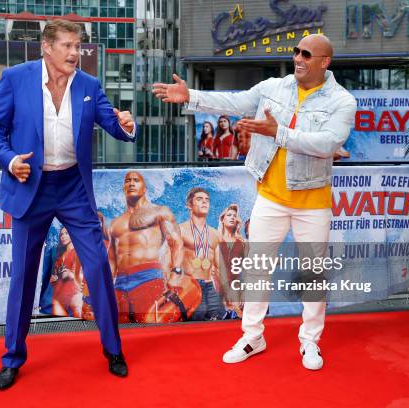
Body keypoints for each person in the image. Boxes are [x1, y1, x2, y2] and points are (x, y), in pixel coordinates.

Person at [153, 34, 357, 370]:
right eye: (296, 52)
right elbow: (234, 102)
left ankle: (309, 341)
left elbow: (327, 143)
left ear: (325, 62)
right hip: (270, 198)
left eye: (307, 54)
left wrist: (278, 133)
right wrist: (191, 96)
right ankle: (252, 336)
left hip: (313, 203)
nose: (298, 58)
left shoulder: (342, 101)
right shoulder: (275, 87)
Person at [0, 19, 137, 389]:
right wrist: (10, 160)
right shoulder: (16, 79)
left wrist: (126, 124)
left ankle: (113, 349)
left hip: (72, 187)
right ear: (46, 47)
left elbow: (112, 124)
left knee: (98, 265)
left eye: (78, 46)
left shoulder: (89, 85)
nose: (74, 53)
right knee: (23, 277)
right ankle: (12, 358)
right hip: (30, 185)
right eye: (67, 45)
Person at [109, 171, 185, 323]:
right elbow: (112, 258)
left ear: (145, 188)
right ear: (123, 188)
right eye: (127, 181)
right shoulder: (115, 223)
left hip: (147, 276)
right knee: (121, 326)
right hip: (121, 282)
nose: (131, 183)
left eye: (136, 180)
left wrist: (175, 272)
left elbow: (176, 242)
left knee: (149, 323)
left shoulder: (159, 212)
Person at [179, 188, 225, 320]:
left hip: (209, 285)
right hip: (190, 285)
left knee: (220, 318)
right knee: (196, 320)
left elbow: (218, 266)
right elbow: (168, 261)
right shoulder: (179, 230)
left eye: (207, 200)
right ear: (189, 205)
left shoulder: (215, 234)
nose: (204, 202)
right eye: (199, 199)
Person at [218, 204, 246, 318]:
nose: (232, 217)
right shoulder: (216, 238)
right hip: (218, 283)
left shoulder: (241, 242)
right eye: (229, 215)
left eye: (235, 216)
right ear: (222, 219)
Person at [50, 227, 83, 317]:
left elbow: (86, 276)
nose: (63, 236)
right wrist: (54, 279)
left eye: (66, 233)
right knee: (60, 327)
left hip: (75, 295)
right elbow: (54, 279)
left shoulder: (79, 252)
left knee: (79, 326)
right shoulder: (59, 256)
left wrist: (70, 274)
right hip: (58, 296)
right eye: (61, 235)